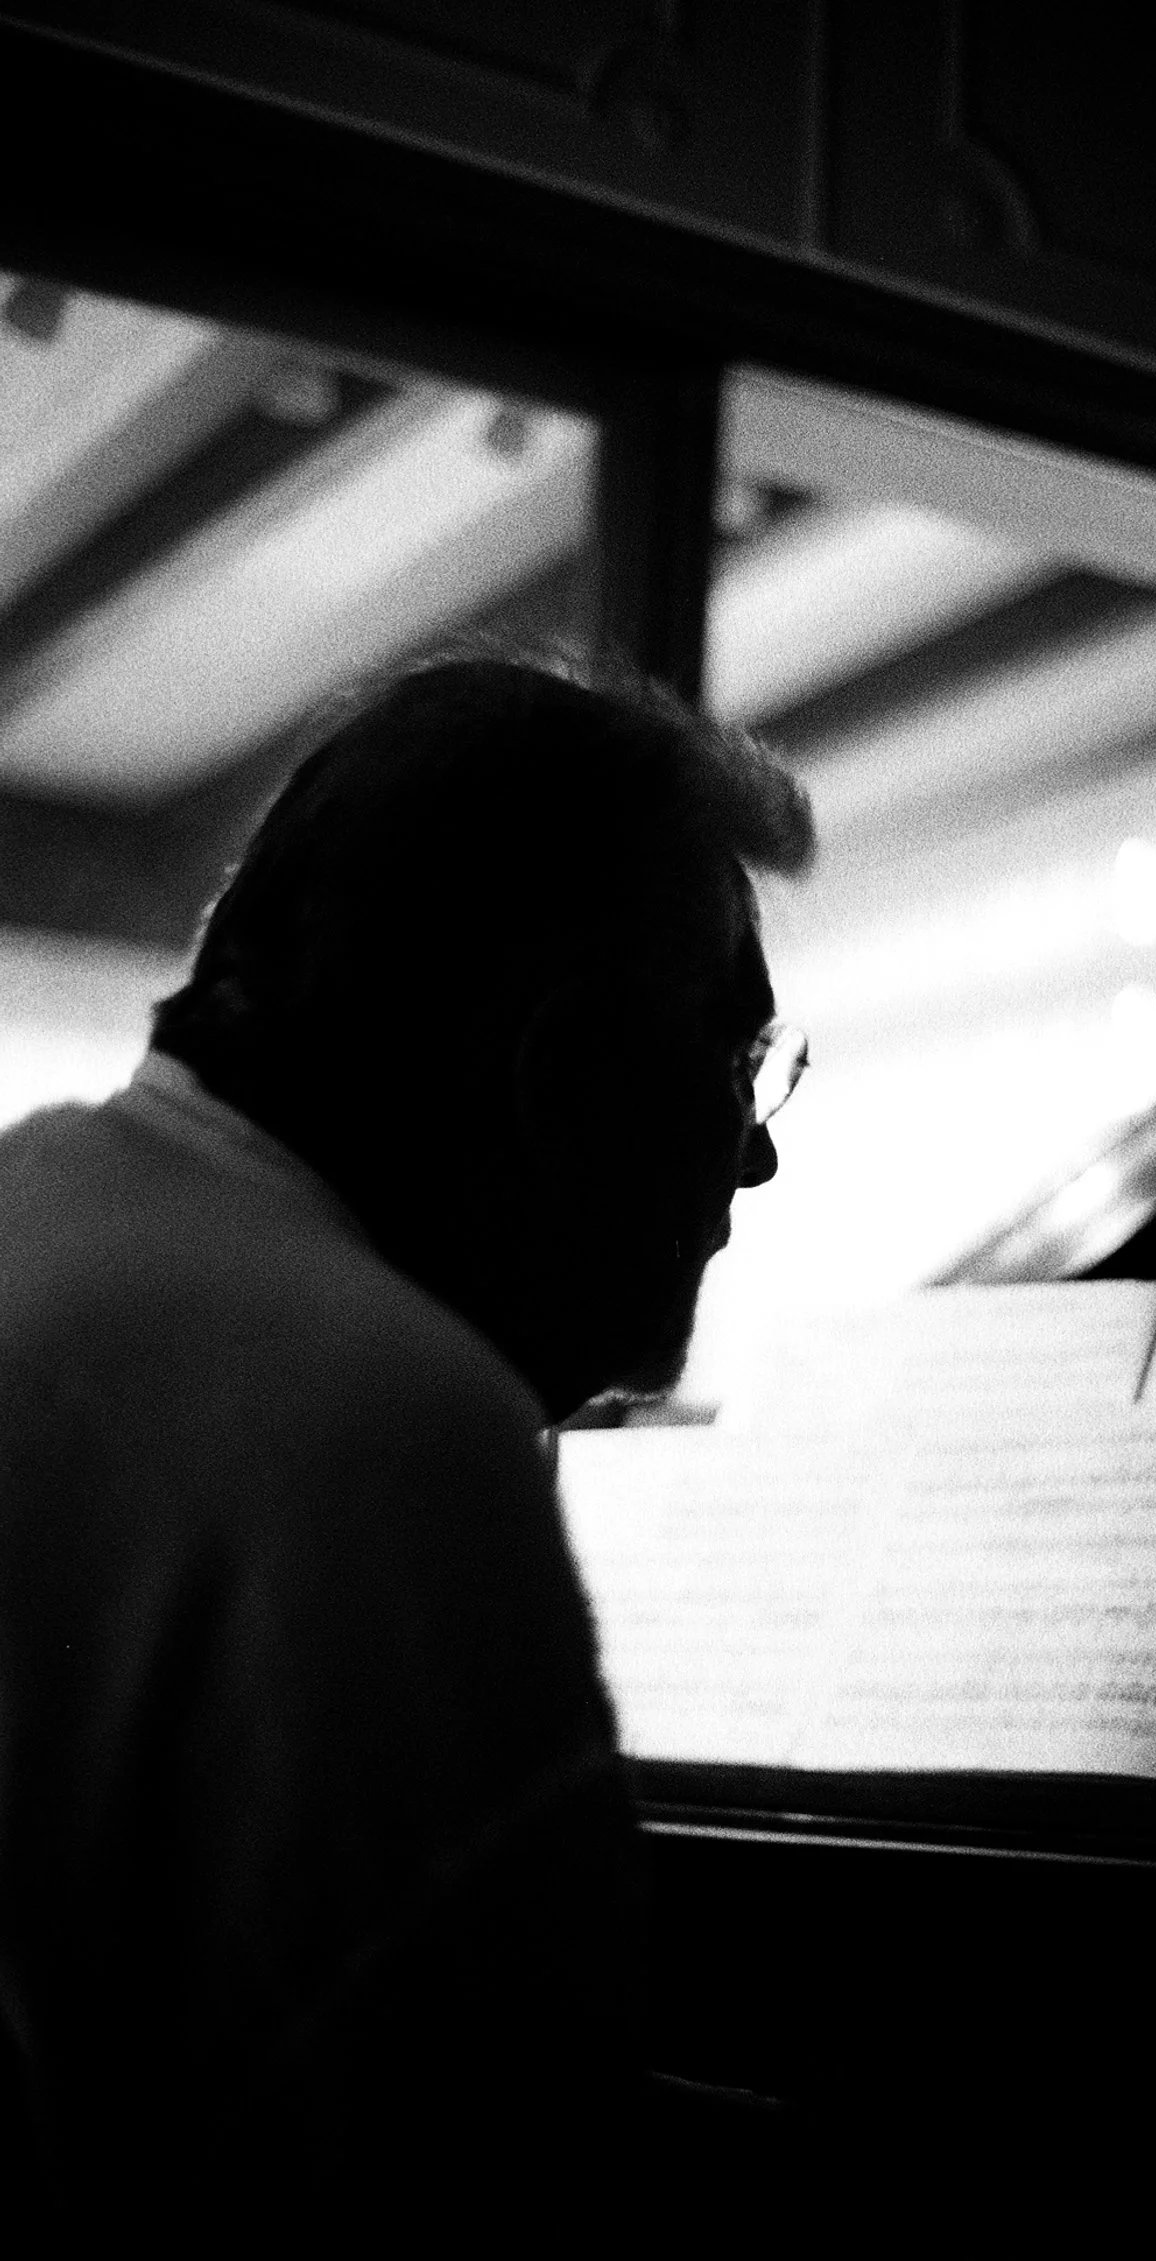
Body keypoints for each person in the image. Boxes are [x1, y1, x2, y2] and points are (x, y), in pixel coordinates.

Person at [0, 655, 814, 2234]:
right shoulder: (382, 1421)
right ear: (561, 1073)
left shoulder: (36, 1215)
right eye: (733, 1064)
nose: (761, 1151)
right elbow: (461, 2215)